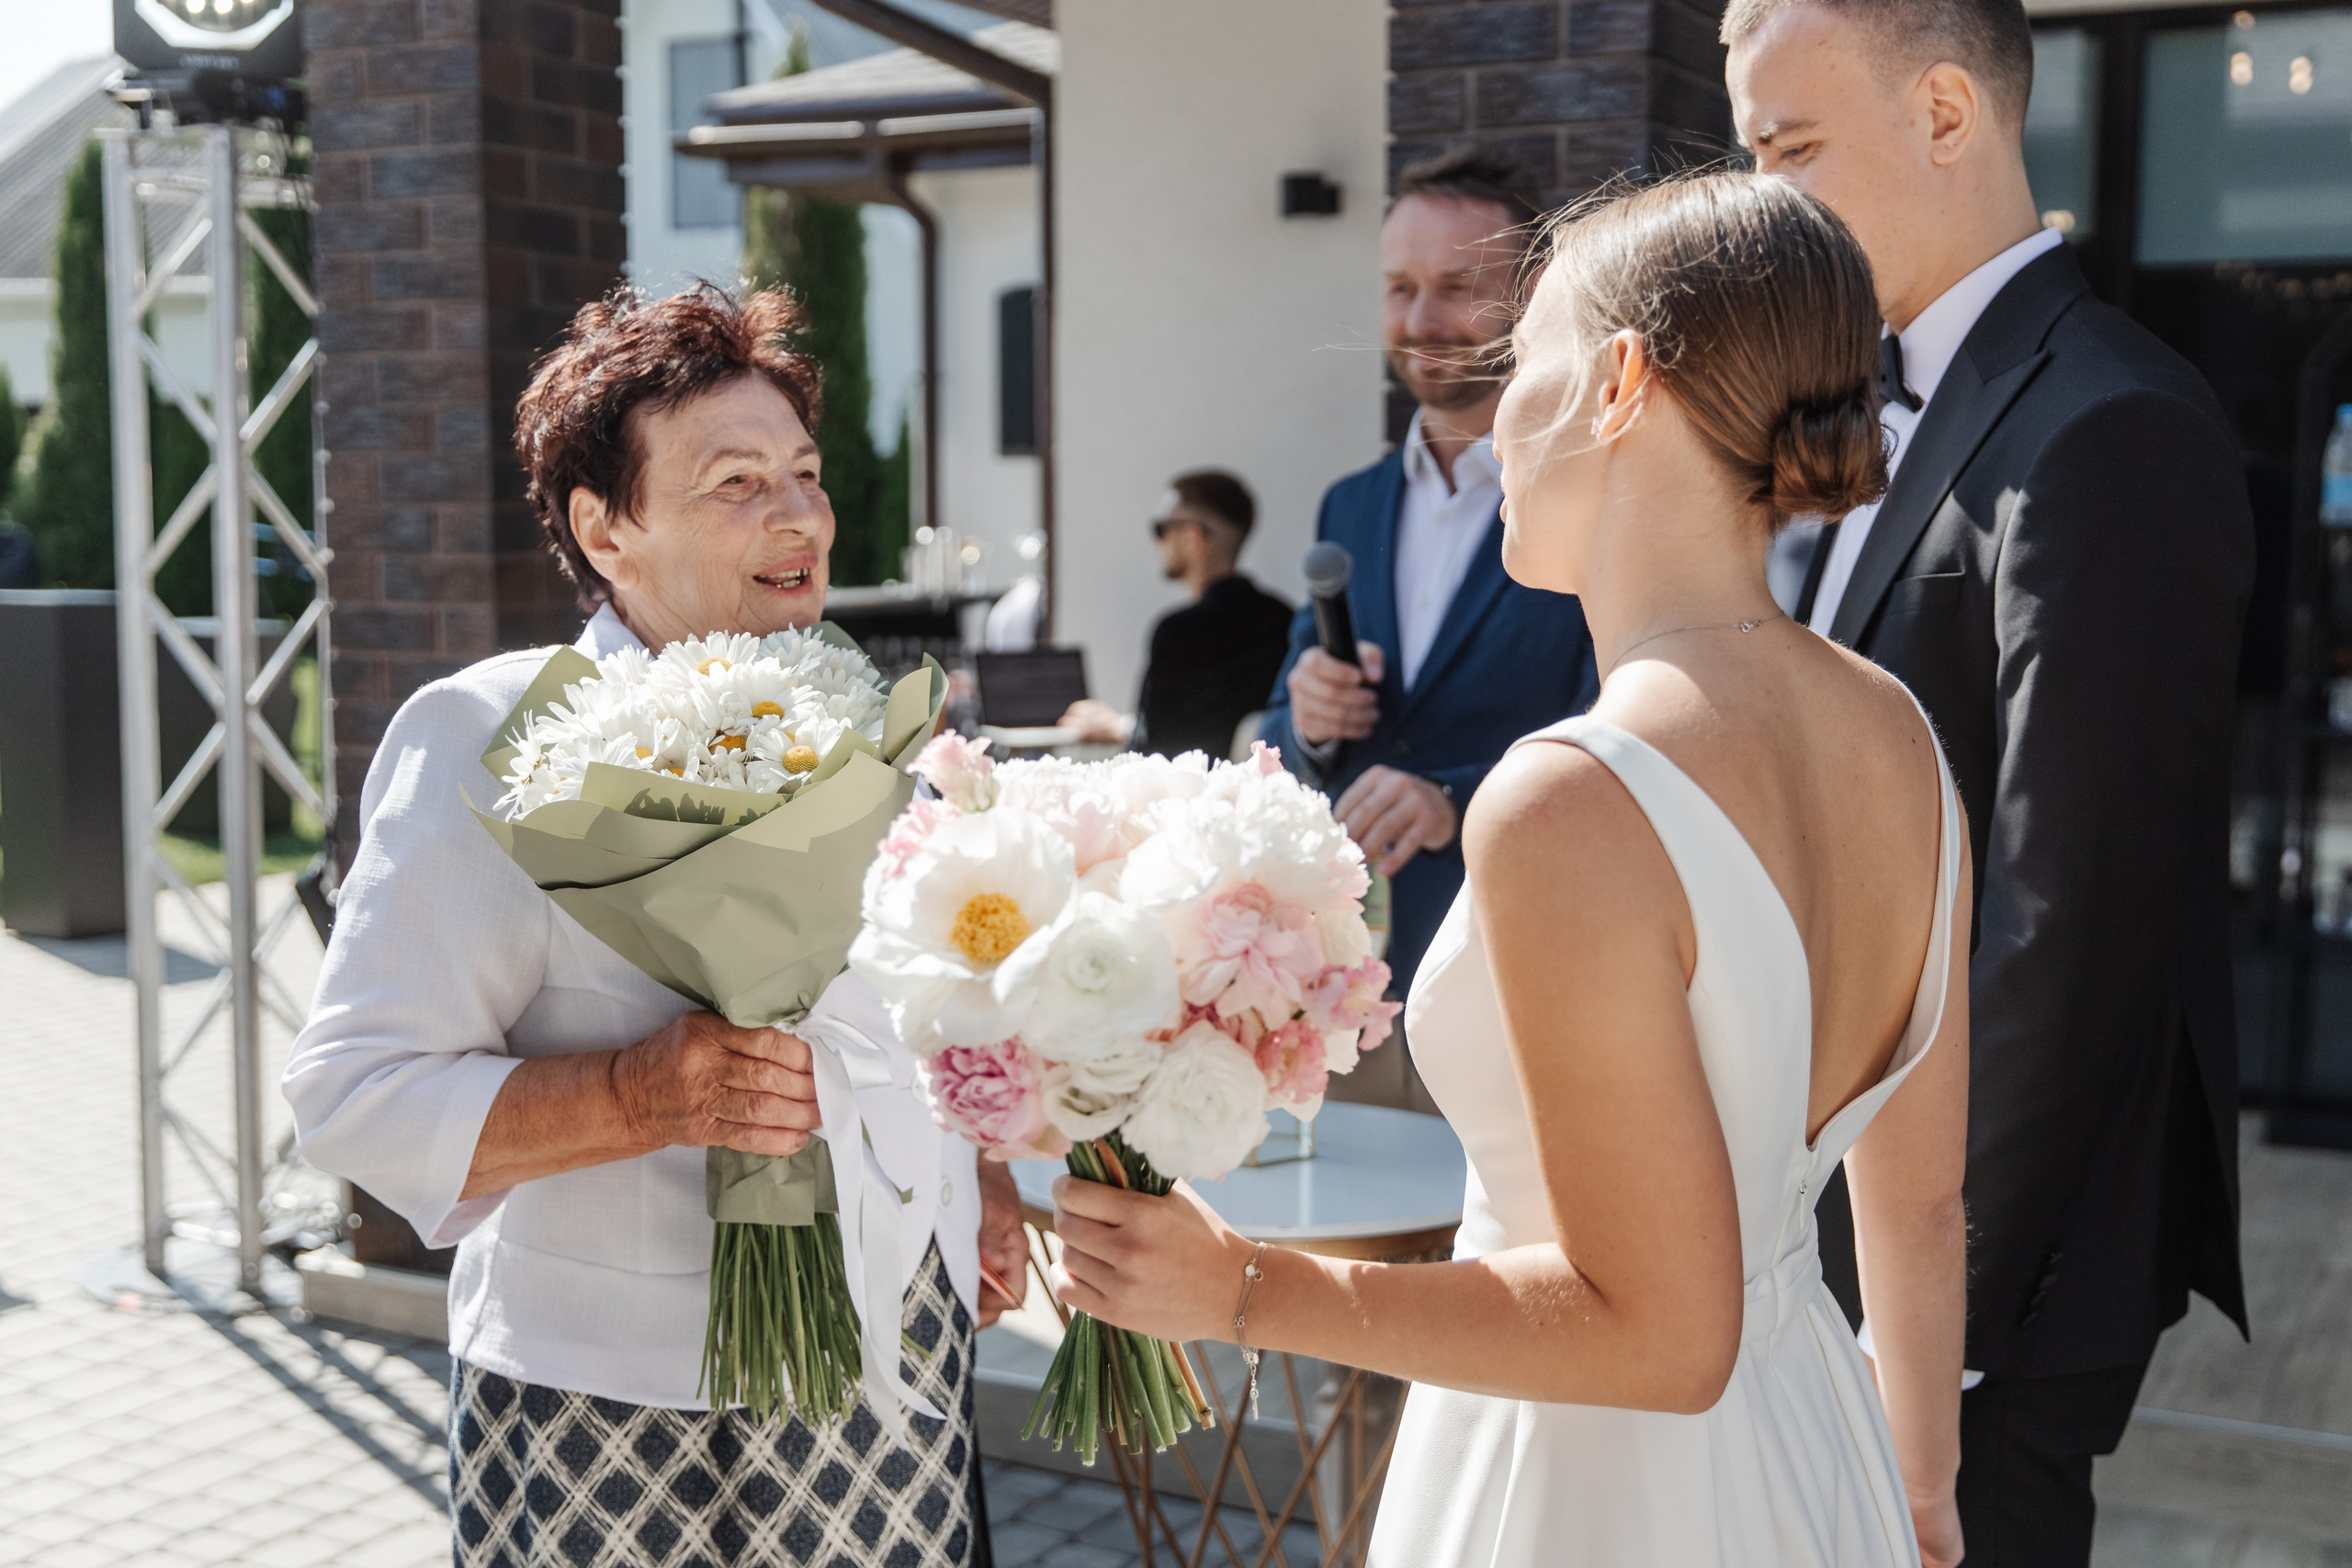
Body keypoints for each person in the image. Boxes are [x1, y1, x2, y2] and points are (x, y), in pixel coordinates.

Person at [1047, 172, 1970, 1567]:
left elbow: (1662, 1334)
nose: (1492, 419)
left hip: (1592, 1490)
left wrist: (1241, 1287)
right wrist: (1918, 1482)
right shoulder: (1897, 728)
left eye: (1522, 355)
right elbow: (1917, 1202)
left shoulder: (1573, 795)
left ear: (1612, 383)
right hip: (1819, 1447)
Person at [282, 286, 1028, 1568]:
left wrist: (983, 1175)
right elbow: (352, 1097)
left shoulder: (871, 713)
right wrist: (644, 1092)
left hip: (898, 1354)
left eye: (803, 471)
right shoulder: (485, 736)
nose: (798, 512)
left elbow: (906, 1009)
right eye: (736, 480)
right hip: (612, 1403)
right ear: (604, 526)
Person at [1725, 2, 2254, 1561]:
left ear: (1947, 111)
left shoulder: (2113, 424)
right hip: (1832, 1214)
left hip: (1979, 1277)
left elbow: (2066, 924)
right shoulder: (1865, 398)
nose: (1766, 200)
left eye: (1793, 147)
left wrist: (1922, 1312)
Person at [1259, 143, 1600, 1098]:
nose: (1419, 321)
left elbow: (1622, 733)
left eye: (1457, 285)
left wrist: (1455, 799)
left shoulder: (1592, 493)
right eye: (1399, 287)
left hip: (1520, 988)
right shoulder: (1349, 507)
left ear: (1533, 293)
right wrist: (1309, 721)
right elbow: (1282, 740)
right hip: (1351, 996)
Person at [1060, 469, 1293, 761]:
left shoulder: (1180, 632)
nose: (1158, 541)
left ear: (1193, 537)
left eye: (1161, 528)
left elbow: (1153, 753)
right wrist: (1124, 727)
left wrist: (1127, 734)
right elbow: (1212, 728)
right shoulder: (1284, 618)